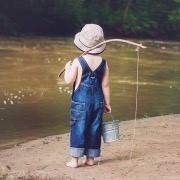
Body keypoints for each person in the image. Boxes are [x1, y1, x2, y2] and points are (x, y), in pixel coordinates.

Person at [64, 24, 111, 168]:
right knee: (94, 128)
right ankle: (90, 158)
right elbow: (105, 85)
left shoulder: (78, 61)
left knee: (78, 127)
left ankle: (75, 160)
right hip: (98, 102)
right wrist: (107, 104)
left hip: (80, 103)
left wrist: (67, 68)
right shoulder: (103, 63)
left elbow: (68, 81)